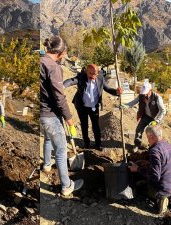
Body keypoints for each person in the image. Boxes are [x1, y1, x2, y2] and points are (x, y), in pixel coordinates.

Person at [40, 35, 83, 196]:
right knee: (61, 150)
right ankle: (66, 185)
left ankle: (46, 164)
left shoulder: (41, 61)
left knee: (48, 139)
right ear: (62, 52)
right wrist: (69, 118)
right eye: (66, 52)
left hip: (42, 114)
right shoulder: (53, 67)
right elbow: (59, 96)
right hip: (50, 115)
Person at [63, 64, 122, 150]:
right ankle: (86, 144)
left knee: (96, 126)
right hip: (82, 107)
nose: (93, 76)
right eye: (91, 74)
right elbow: (71, 81)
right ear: (87, 71)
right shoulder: (81, 77)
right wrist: (62, 86)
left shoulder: (100, 78)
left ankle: (98, 145)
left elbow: (108, 89)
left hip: (94, 107)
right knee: (84, 126)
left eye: (95, 74)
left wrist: (116, 92)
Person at [128, 125, 171, 214]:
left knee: (141, 187)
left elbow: (155, 177)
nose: (147, 140)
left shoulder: (154, 151)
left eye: (147, 137)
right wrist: (148, 163)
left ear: (151, 136)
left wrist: (137, 169)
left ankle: (161, 200)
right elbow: (164, 164)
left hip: (162, 189)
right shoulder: (170, 146)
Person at [123, 82, 166, 152]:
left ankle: (154, 148)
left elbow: (163, 110)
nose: (144, 95)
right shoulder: (141, 95)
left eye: (146, 93)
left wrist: (157, 121)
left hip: (154, 118)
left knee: (154, 134)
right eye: (143, 93)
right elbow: (133, 102)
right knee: (138, 130)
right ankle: (137, 145)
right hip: (145, 116)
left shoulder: (157, 97)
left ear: (150, 90)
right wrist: (126, 105)